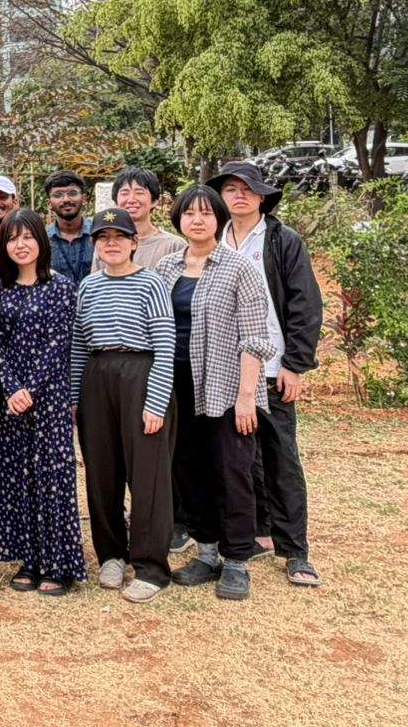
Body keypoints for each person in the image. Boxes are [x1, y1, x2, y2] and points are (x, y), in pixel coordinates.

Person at [209, 161, 325, 588]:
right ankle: (252, 532)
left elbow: (305, 304)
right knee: (239, 459)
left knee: (281, 458)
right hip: (225, 369)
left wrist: (295, 364)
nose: (238, 195)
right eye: (230, 189)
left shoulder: (281, 240)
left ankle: (295, 550)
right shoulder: (213, 240)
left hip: (273, 367)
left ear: (261, 197)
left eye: (247, 189)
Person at [156, 186, 273, 601]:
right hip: (178, 387)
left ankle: (237, 559)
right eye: (189, 213)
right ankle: (206, 553)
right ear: (179, 221)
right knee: (189, 470)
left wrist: (246, 396)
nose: (198, 220)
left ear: (219, 219)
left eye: (206, 213)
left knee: (233, 472)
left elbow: (256, 337)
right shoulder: (167, 269)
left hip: (228, 389)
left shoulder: (239, 268)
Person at [72, 207, 176, 604]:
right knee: (102, 470)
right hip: (98, 376)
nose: (111, 244)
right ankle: (111, 554)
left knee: (147, 473)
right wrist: (73, 397)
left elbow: (166, 345)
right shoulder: (89, 286)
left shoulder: (151, 283)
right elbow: (80, 346)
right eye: (103, 237)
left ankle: (151, 565)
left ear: (134, 242)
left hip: (142, 373)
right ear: (95, 245)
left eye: (119, 237)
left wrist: (157, 400)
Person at [0, 209, 87, 596]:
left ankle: (58, 564)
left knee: (52, 476)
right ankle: (27, 558)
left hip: (50, 398)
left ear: (40, 242)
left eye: (28, 237)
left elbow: (59, 343)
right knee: (16, 477)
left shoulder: (62, 287)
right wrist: (12, 389)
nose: (20, 245)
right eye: (13, 239)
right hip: (12, 402)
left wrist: (31, 388)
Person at [96, 167, 184, 270]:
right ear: (116, 202)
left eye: (139, 192)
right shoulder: (106, 244)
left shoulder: (173, 245)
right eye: (125, 193)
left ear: (154, 201)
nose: (131, 200)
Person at [43, 171, 92, 286]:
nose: (66, 199)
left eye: (72, 193)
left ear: (84, 199)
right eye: (58, 195)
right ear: (49, 204)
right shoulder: (42, 240)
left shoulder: (99, 234)